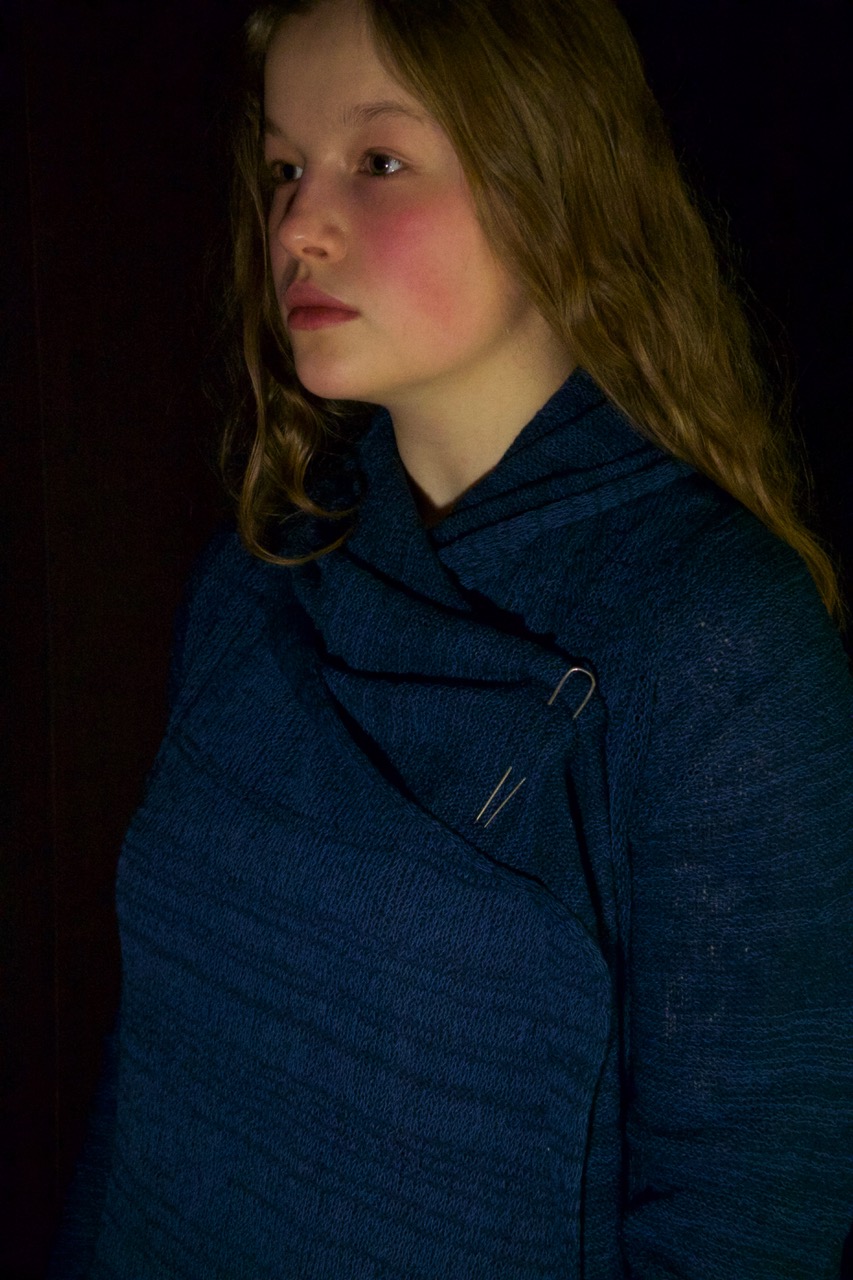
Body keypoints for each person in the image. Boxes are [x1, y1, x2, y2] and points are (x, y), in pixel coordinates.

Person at [50, 0, 853, 1275]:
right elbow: (154, 1072)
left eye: (378, 161)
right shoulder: (255, 573)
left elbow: (747, 1212)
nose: (295, 225)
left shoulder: (717, 638)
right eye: (284, 167)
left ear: (555, 184)